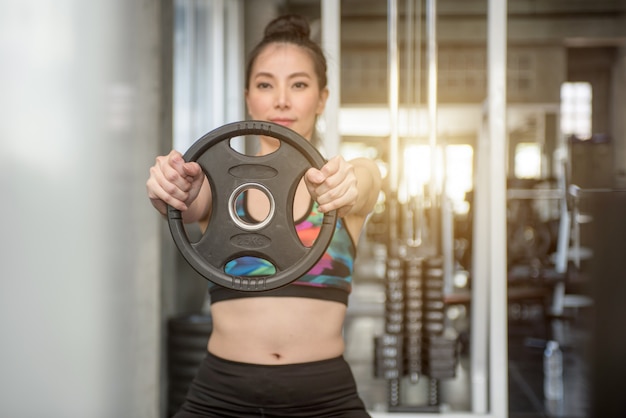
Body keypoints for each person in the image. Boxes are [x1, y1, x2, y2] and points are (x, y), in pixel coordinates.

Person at [147, 14, 382, 418]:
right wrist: (169, 186)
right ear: (248, 96)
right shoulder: (217, 185)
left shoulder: (342, 181)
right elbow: (186, 199)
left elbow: (364, 182)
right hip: (220, 396)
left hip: (326, 399)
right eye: (265, 84)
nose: (281, 100)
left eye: (299, 84)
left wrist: (350, 183)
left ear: (322, 98)